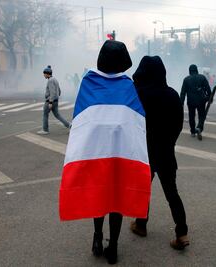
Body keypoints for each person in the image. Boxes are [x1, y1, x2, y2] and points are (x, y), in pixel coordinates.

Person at [59, 40, 151, 265]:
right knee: (116, 200)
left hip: (95, 153)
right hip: (120, 155)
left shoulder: (89, 82)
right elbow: (137, 121)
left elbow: (81, 119)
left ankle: (97, 238)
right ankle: (114, 248)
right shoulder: (128, 86)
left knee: (98, 195)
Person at [130, 55, 189, 250]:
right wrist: (169, 143)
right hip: (166, 152)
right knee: (172, 193)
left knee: (142, 190)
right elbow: (178, 125)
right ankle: (182, 233)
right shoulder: (172, 94)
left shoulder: (138, 95)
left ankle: (141, 224)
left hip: (144, 152)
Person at [180, 64, 211, 140]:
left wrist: (181, 103)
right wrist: (208, 98)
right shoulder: (202, 77)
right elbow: (208, 90)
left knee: (191, 116)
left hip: (191, 101)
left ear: (189, 71)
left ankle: (193, 132)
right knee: (201, 115)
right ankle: (199, 128)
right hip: (201, 101)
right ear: (197, 70)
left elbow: (183, 93)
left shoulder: (186, 79)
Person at [37, 65, 71, 135]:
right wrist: (56, 98)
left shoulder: (50, 81)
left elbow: (52, 92)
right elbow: (59, 90)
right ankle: (69, 125)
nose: (43, 75)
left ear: (47, 74)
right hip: (55, 101)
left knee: (45, 115)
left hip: (50, 101)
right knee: (57, 115)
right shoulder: (55, 79)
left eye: (44, 73)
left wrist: (50, 102)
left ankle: (45, 130)